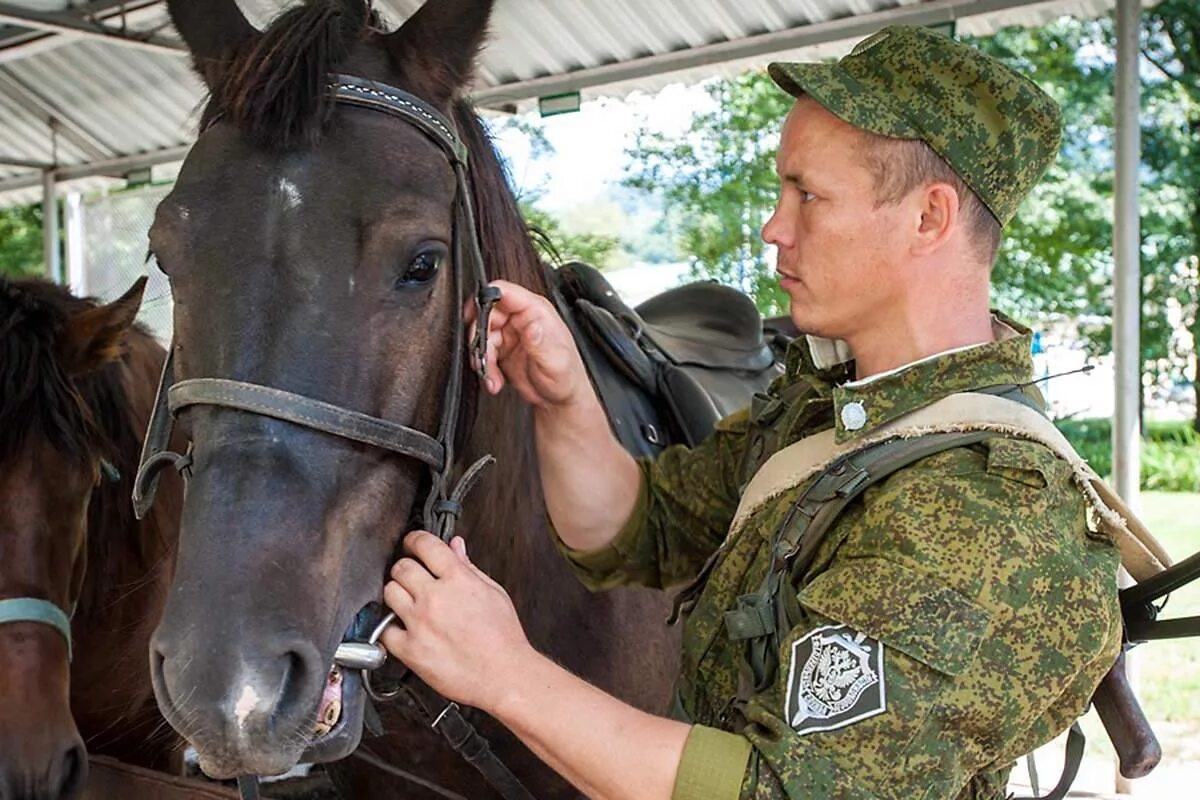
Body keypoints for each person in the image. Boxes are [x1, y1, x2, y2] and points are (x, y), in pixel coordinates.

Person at [379, 25, 1122, 800]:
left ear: (929, 219)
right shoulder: (825, 413)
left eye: (808, 194)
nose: (774, 226)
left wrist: (506, 674)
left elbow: (775, 791)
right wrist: (565, 397)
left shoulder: (982, 509)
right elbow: (640, 530)